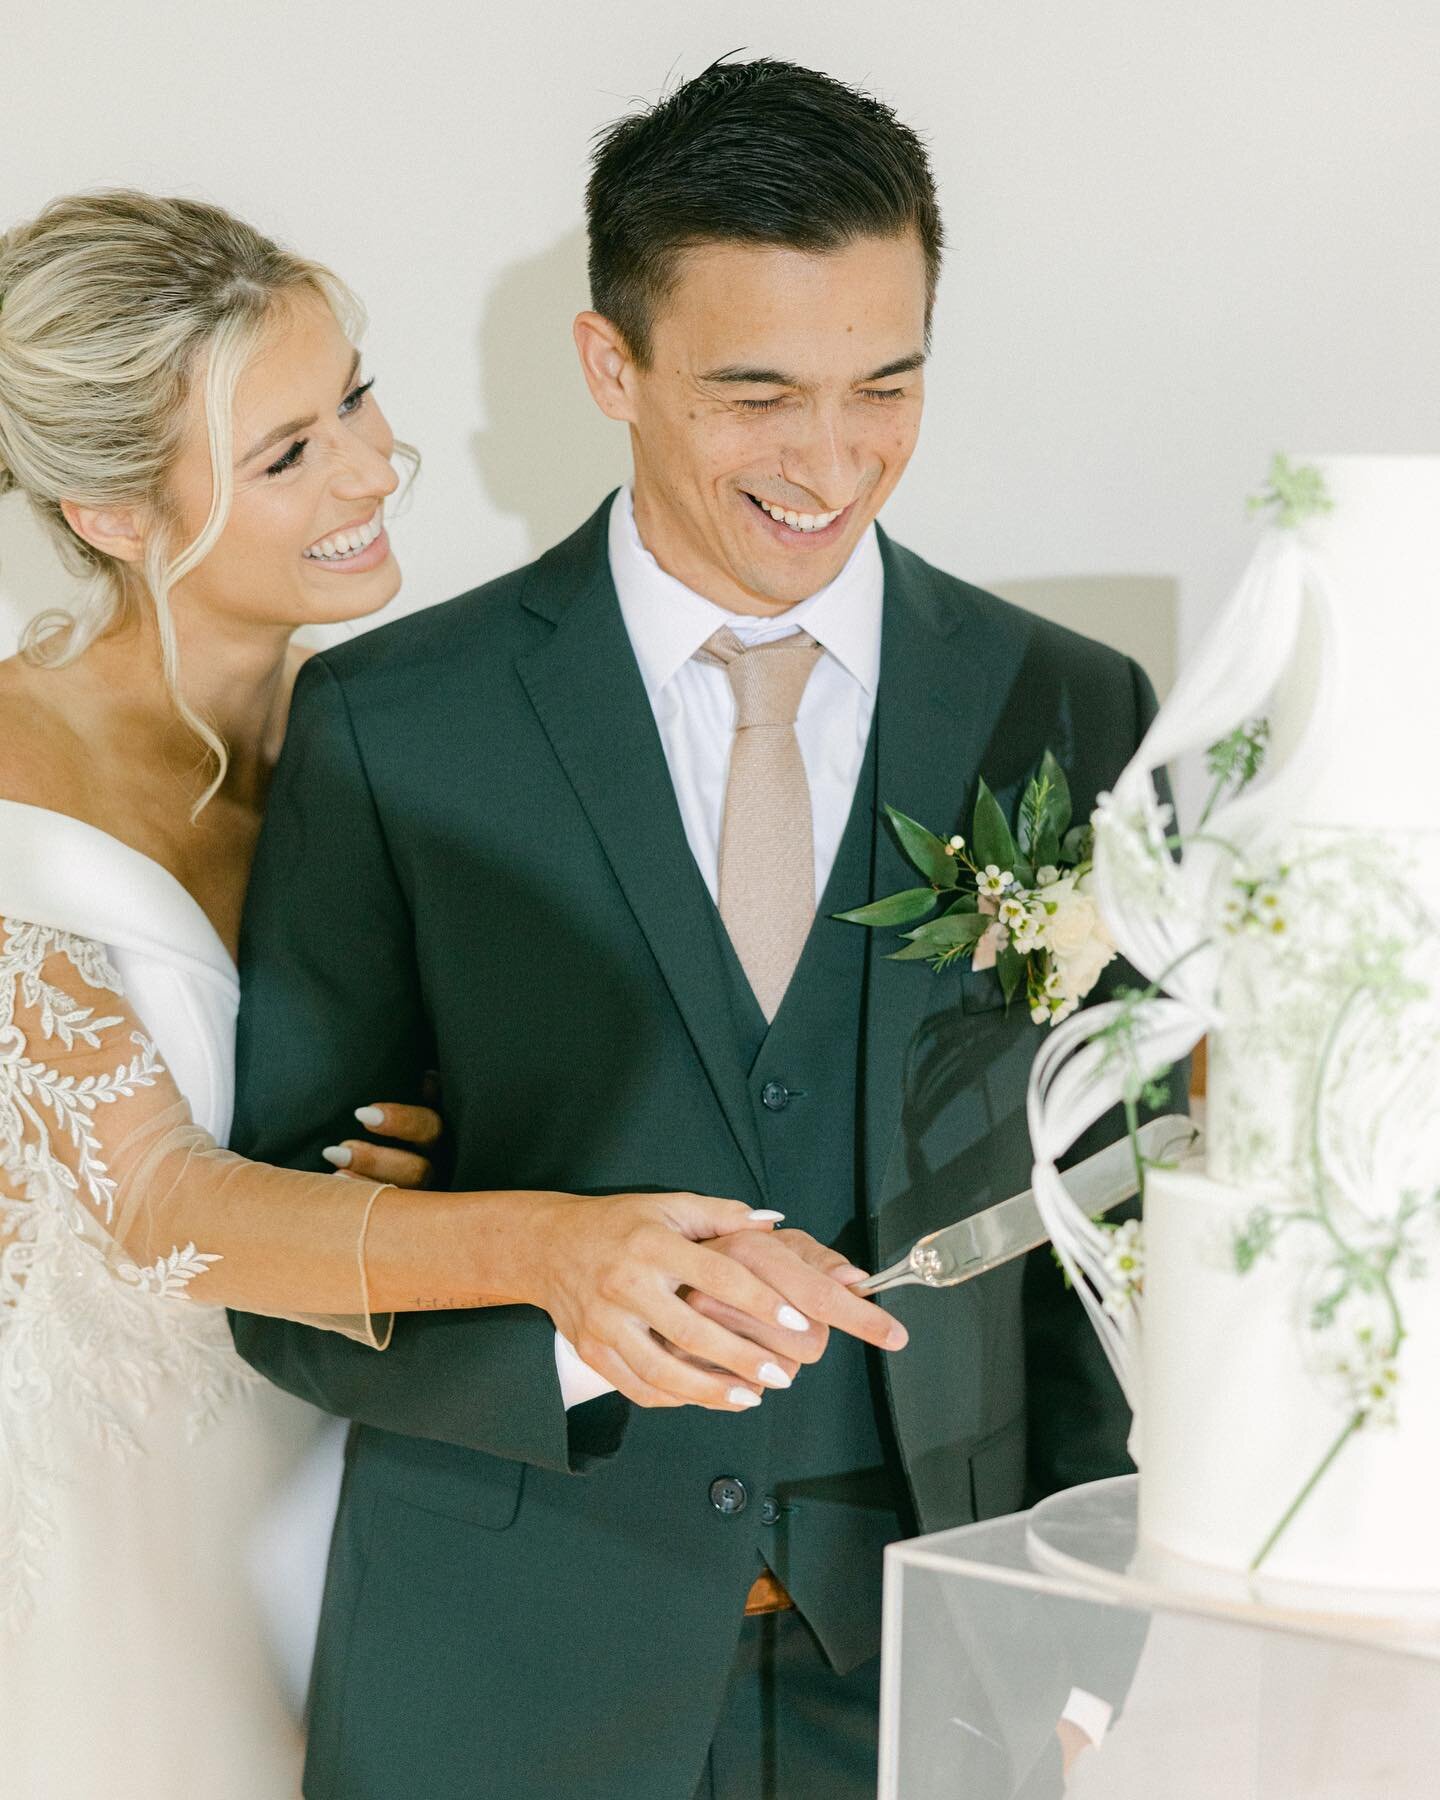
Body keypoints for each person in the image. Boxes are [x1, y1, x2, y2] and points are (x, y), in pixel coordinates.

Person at [231, 57, 1183, 1800]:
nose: (832, 461)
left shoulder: (1068, 705)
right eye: (757, 395)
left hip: (936, 1675)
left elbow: (1115, 1228)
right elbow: (274, 1276)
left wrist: (1091, 1637)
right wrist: (579, 1316)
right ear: (614, 366)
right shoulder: (394, 723)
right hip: (501, 1671)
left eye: (884, 383)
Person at [0, 189, 846, 1800]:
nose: (379, 469)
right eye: (288, 456)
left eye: (358, 400)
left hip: (379, 1469)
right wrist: (552, 1243)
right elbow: (166, 1201)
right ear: (110, 512)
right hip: (122, 1517)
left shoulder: (394, 740)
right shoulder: (12, 784)